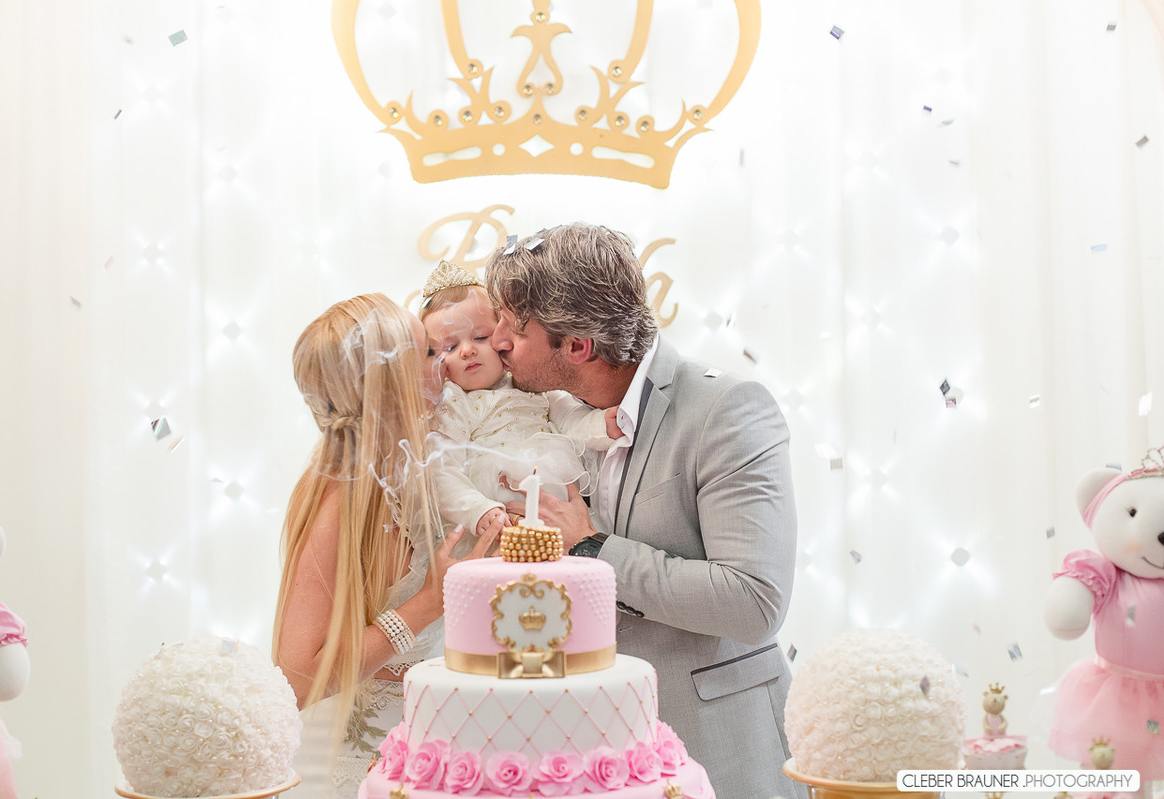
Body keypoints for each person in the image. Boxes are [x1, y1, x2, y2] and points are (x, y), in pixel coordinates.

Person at [485, 224, 800, 799]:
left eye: (514, 327)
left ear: (577, 346)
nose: (496, 338)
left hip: (717, 748)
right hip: (588, 753)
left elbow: (754, 601)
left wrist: (590, 546)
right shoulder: (544, 414)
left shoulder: (726, 410)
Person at [272, 294, 494, 798]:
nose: (445, 363)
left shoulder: (411, 473)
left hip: (434, 741)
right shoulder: (339, 499)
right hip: (361, 760)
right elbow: (299, 677)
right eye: (427, 352)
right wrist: (425, 605)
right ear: (390, 379)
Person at [419, 260, 618, 539]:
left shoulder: (530, 381)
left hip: (561, 524)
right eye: (450, 347)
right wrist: (479, 511)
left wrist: (601, 425)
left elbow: (570, 420)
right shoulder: (453, 402)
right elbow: (441, 472)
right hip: (500, 524)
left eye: (480, 337)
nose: (467, 351)